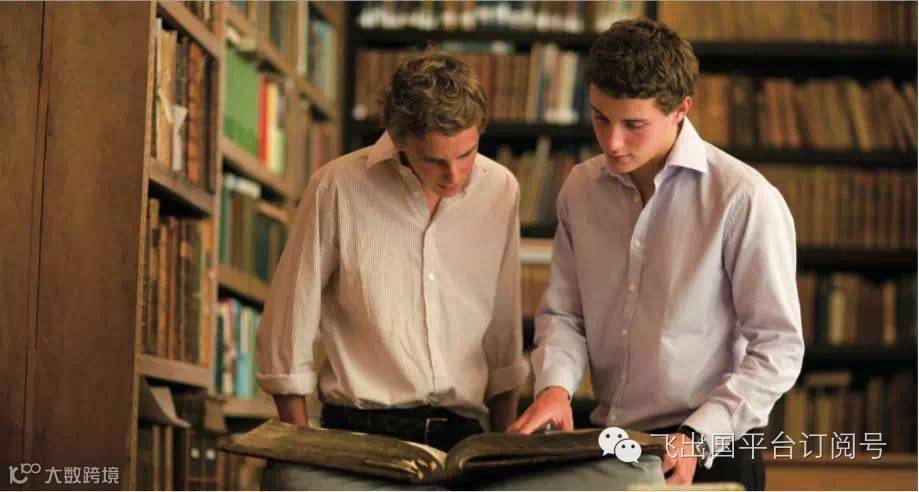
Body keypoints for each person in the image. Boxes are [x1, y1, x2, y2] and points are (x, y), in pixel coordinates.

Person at [510, 18, 805, 491]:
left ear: (681, 109)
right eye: (601, 118)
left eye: (633, 125)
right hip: (612, 443)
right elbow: (565, 314)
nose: (612, 143)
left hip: (713, 448)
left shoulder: (743, 199)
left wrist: (698, 435)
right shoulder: (581, 189)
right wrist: (555, 387)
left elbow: (778, 347)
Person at [255, 50, 528, 490]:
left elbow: (503, 336)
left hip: (464, 441)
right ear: (399, 139)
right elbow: (287, 331)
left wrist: (503, 456)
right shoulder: (337, 186)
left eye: (467, 154)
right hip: (357, 437)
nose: (455, 175)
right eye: (434, 160)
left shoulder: (501, 190)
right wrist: (301, 448)